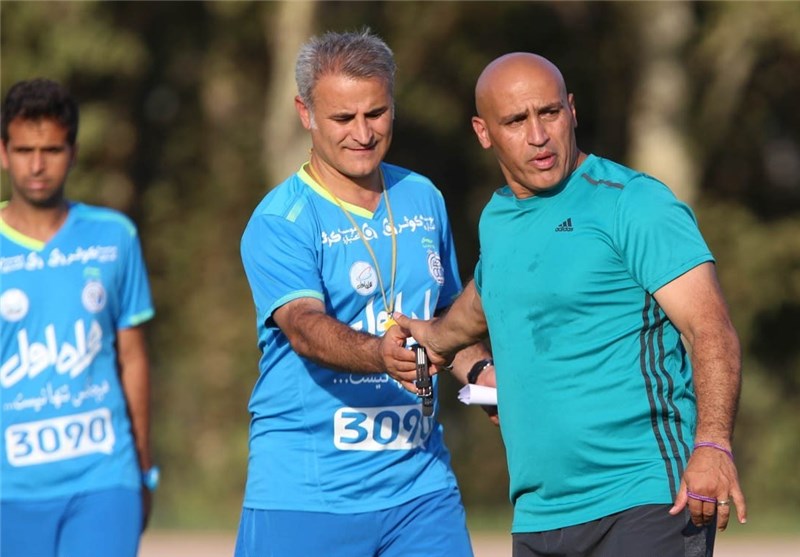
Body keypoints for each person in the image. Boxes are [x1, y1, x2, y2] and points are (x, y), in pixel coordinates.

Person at [384, 52, 747, 557]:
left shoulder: (631, 202)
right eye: (516, 121)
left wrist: (712, 444)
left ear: (571, 110)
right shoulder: (498, 217)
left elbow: (710, 328)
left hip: (645, 499)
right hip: (540, 512)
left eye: (549, 113)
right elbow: (488, 295)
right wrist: (435, 340)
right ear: (483, 132)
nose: (538, 135)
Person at [236, 29, 489, 557]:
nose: (363, 133)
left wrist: (482, 376)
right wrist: (379, 354)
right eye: (342, 118)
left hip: (420, 488)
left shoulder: (422, 196)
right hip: (307, 495)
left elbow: (445, 318)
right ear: (305, 114)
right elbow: (304, 327)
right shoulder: (281, 220)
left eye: (376, 113)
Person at [0, 79, 158, 557]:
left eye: (51, 149)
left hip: (104, 478)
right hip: (10, 490)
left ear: (73, 152)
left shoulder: (114, 236)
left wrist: (143, 468)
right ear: (3, 153)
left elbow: (132, 359)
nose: (37, 165)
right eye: (24, 150)